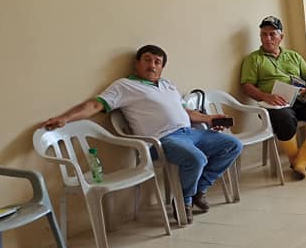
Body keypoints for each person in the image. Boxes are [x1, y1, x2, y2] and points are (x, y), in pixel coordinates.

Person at [42, 45, 242, 224]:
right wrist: (65, 118)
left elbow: (185, 112)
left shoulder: (168, 84)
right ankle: (185, 200)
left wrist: (209, 119)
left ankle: (198, 189)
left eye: (157, 62)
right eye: (147, 60)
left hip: (190, 132)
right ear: (137, 63)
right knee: (196, 159)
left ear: (162, 67)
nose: (152, 65)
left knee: (233, 145)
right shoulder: (124, 86)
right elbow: (95, 105)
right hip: (162, 140)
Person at [240, 16, 306, 180]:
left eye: (272, 34)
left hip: (299, 99)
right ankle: (299, 162)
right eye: (264, 34)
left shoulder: (293, 56)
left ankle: (301, 161)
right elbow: (247, 86)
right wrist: (266, 96)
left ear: (281, 37)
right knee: (285, 119)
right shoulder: (253, 59)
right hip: (275, 105)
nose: (268, 38)